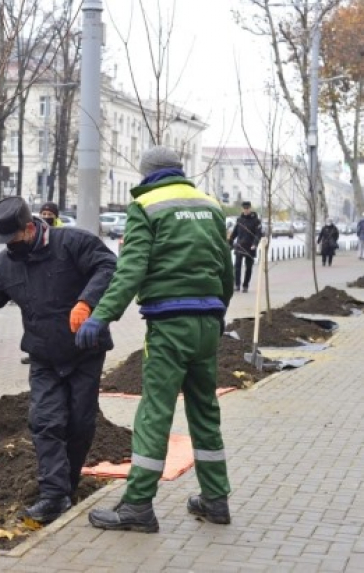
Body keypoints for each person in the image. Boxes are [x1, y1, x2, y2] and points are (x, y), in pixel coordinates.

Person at [0, 196, 117, 525]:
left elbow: (108, 267)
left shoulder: (72, 242)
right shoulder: (7, 263)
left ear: (30, 229)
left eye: (12, 238)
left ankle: (67, 489)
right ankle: (53, 496)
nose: (8, 246)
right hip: (43, 355)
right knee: (45, 422)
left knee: (80, 425)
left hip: (84, 352)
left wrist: (87, 303)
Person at [78, 146, 234, 533]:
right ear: (179, 171)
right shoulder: (210, 205)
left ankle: (137, 507)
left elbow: (131, 271)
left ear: (147, 173)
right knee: (204, 411)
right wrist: (218, 310)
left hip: (170, 326)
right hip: (207, 322)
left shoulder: (146, 205)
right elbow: (225, 266)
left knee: (154, 413)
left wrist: (102, 316)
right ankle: (215, 499)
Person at [20, 201, 66, 365]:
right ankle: (34, 352)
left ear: (56, 216)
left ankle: (54, 352)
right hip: (36, 281)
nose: (46, 217)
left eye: (50, 215)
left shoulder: (60, 232)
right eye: (44, 214)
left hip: (53, 280)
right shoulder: (35, 230)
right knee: (33, 318)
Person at [228, 200, 262, 293]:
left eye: (247, 208)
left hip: (250, 247)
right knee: (237, 266)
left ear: (250, 208)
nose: (246, 210)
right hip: (240, 246)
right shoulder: (240, 220)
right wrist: (229, 242)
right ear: (242, 209)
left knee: (248, 267)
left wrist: (255, 244)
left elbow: (258, 234)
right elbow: (235, 232)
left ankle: (245, 285)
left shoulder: (256, 221)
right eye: (244, 208)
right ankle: (237, 284)